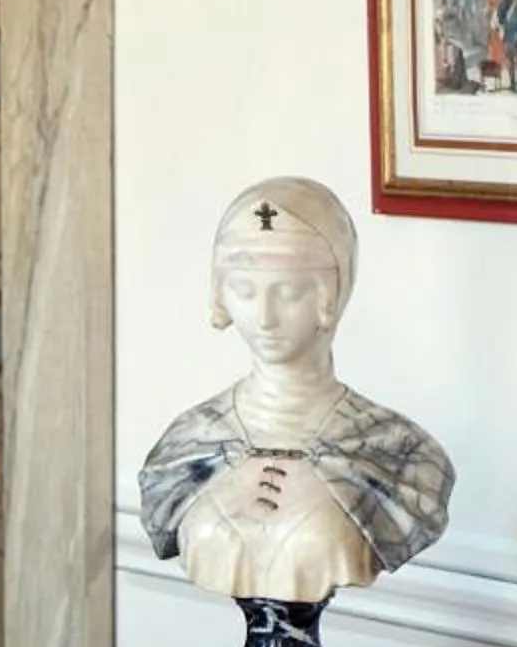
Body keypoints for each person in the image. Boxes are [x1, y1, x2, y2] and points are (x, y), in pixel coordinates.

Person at [137, 178, 453, 605]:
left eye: (288, 293)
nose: (264, 318)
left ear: (332, 295)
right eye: (245, 291)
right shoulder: (186, 446)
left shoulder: (401, 455)